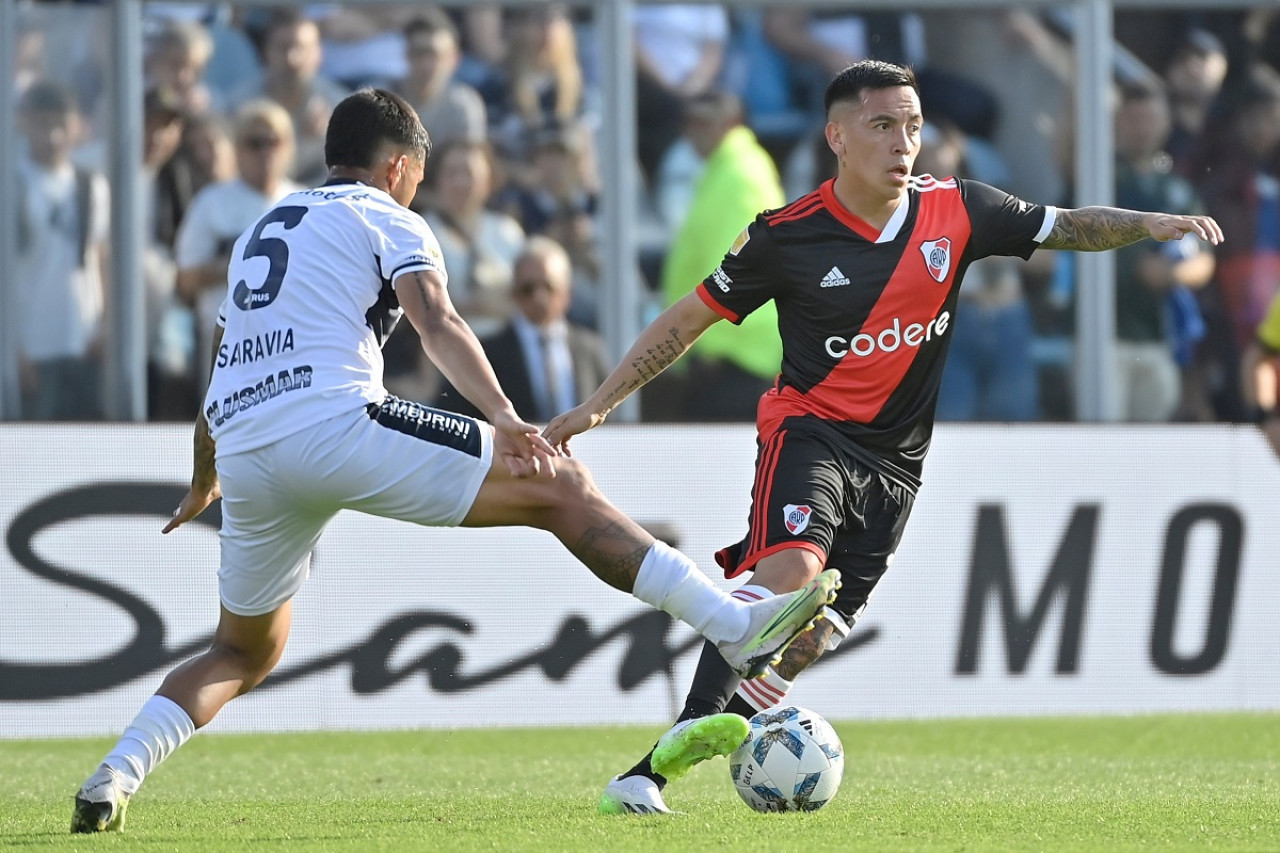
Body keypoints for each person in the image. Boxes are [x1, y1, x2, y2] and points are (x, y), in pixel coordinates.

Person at [68, 88, 838, 834]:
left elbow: (224, 362)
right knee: (559, 483)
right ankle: (732, 621)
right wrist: (503, 416)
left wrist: (205, 474)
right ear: (400, 166)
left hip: (245, 446)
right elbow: (436, 318)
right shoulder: (386, 216)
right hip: (335, 422)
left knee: (240, 649)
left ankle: (116, 773)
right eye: (419, 177)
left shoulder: (262, 227)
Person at [542, 60, 1224, 815]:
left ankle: (683, 742)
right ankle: (667, 755)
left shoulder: (957, 211)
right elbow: (687, 319)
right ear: (837, 136)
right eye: (882, 126)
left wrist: (1149, 225)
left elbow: (1065, 226)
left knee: (813, 635)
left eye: (913, 126)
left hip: (898, 465)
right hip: (812, 437)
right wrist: (598, 405)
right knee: (791, 574)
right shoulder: (786, 237)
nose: (905, 143)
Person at [655, 90, 786, 422]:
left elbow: (733, 271)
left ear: (730, 123)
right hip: (731, 351)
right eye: (688, 122)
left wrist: (711, 347)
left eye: (703, 122)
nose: (692, 132)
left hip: (735, 357)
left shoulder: (739, 175)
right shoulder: (726, 170)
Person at [12, 79, 109, 421]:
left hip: (82, 338)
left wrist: (104, 323)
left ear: (76, 127)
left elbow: (99, 256)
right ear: (23, 122)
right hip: (30, 343)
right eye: (42, 124)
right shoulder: (11, 184)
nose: (52, 136)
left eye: (60, 125)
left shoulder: (90, 186)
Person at [434, 235, 609, 422]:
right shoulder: (485, 354)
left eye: (549, 287)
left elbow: (607, 414)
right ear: (514, 293)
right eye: (528, 289)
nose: (539, 297)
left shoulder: (590, 350)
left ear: (566, 292)